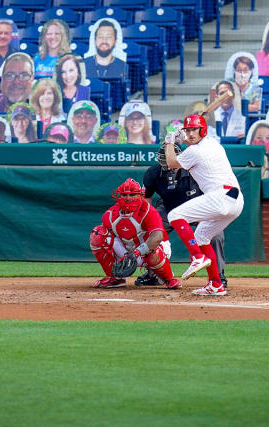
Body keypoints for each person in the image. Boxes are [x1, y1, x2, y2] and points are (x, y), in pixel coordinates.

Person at [163, 113, 244, 296]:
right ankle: (216, 284)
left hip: (220, 196)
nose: (191, 134)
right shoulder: (213, 143)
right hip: (235, 200)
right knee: (201, 237)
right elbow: (190, 148)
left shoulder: (194, 151)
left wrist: (170, 141)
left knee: (174, 216)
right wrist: (182, 138)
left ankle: (197, 257)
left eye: (195, 130)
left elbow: (171, 162)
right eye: (188, 130)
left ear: (203, 130)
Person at [141, 142, 228, 287]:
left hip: (197, 207)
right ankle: (155, 274)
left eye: (171, 159)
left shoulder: (195, 171)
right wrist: (148, 221)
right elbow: (146, 200)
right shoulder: (153, 173)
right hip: (168, 207)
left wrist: (208, 217)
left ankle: (218, 275)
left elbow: (210, 193)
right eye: (165, 159)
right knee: (151, 232)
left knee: (216, 235)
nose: (169, 164)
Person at [89, 178, 181, 289]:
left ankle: (168, 279)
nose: (128, 198)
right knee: (98, 234)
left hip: (153, 249)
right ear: (119, 196)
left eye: (132, 195)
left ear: (140, 195)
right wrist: (122, 256)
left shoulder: (149, 211)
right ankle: (115, 278)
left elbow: (157, 237)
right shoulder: (110, 214)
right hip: (128, 249)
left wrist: (137, 252)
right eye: (124, 195)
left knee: (153, 251)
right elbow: (107, 239)